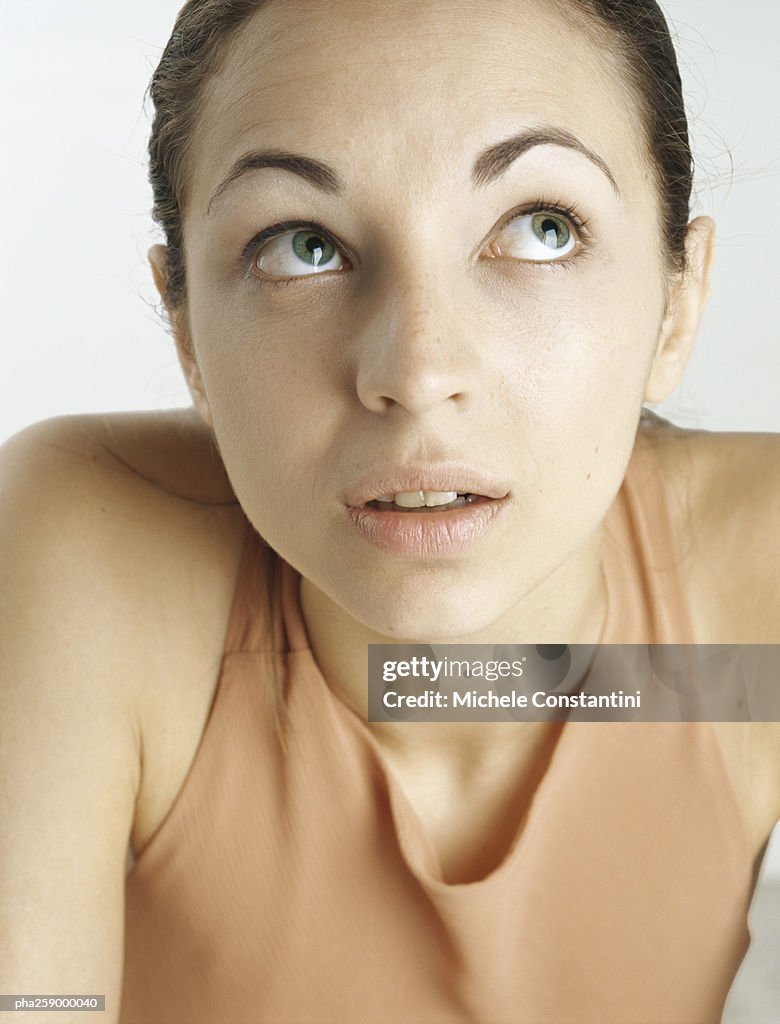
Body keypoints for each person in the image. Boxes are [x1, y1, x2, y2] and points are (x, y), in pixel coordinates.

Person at [1, 0, 778, 1022]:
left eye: (540, 230)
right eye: (303, 245)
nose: (417, 371)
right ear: (186, 331)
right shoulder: (94, 557)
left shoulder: (755, 598)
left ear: (678, 302)